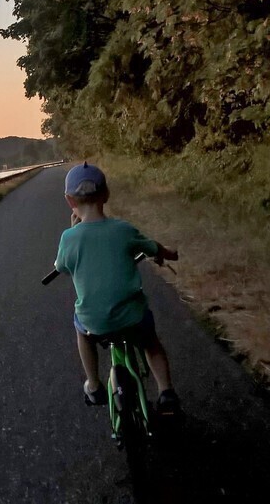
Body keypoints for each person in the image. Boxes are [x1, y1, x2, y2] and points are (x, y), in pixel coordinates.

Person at [54, 162, 182, 414]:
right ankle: (166, 393)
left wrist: (73, 231)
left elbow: (61, 267)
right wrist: (168, 253)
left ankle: (94, 384)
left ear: (70, 201)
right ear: (107, 194)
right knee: (150, 343)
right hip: (132, 316)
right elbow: (152, 247)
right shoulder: (123, 230)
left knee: (82, 332)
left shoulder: (69, 238)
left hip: (95, 322)